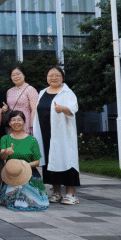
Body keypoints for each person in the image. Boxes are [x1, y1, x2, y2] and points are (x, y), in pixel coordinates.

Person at [33, 66, 80, 205]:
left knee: (67, 160)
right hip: (45, 134)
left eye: (57, 75)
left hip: (62, 135)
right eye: (51, 75)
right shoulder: (42, 92)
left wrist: (62, 109)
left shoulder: (67, 93)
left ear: (62, 77)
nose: (54, 78)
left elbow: (73, 109)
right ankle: (56, 192)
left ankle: (70, 194)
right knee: (50, 161)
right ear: (47, 77)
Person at [0, 110, 49, 211]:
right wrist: (6, 152)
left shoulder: (32, 140)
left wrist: (23, 166)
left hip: (29, 172)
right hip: (12, 174)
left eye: (19, 120)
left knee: (33, 201)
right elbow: (2, 156)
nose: (16, 122)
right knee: (14, 200)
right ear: (9, 123)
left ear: (24, 122)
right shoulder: (5, 138)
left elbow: (37, 161)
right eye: (13, 120)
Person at [3, 65, 39, 135]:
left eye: (18, 74)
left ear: (24, 75)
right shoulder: (9, 91)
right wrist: (5, 109)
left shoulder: (30, 90)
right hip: (12, 125)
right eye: (13, 75)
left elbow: (34, 109)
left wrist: (32, 126)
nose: (16, 77)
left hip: (25, 124)